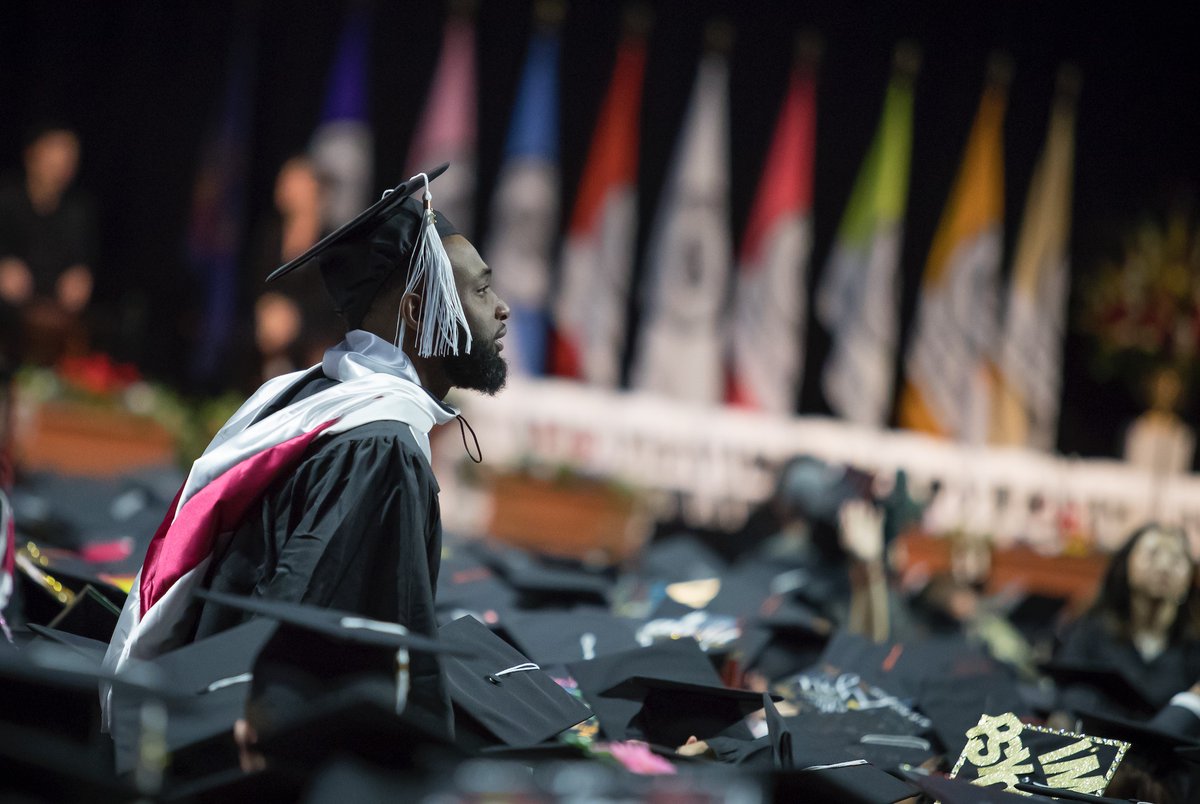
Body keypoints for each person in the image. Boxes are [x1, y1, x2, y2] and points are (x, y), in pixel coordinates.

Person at [101, 165, 509, 745]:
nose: (503, 309)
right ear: (419, 310)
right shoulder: (378, 447)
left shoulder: (309, 393)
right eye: (483, 288)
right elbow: (312, 615)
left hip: (194, 698)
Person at [1052, 522, 1200, 714]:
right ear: (1125, 564)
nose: (1164, 567)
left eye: (1176, 559)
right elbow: (1066, 698)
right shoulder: (1092, 630)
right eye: (1153, 554)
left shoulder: (1194, 646)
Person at [243, 155, 345, 388]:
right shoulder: (269, 236)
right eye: (284, 180)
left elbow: (333, 305)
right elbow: (256, 286)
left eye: (295, 180)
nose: (285, 186)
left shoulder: (334, 242)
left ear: (316, 188)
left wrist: (294, 322)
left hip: (314, 336)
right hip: (267, 332)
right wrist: (266, 308)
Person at [0, 122, 96, 366]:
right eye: (54, 152)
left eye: (69, 157)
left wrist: (80, 275)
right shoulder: (7, 198)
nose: (61, 164)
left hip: (52, 302)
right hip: (11, 303)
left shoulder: (78, 210)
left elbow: (81, 260)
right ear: (32, 155)